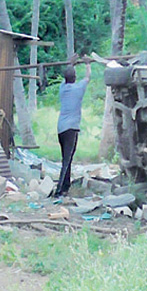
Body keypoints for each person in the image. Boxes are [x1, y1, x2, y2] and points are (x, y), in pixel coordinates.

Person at [54, 59, 90, 197]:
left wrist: (72, 64)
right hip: (71, 129)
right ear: (75, 77)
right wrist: (87, 64)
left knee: (67, 157)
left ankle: (66, 186)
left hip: (61, 128)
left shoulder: (63, 88)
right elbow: (87, 77)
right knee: (67, 159)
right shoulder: (78, 89)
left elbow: (70, 77)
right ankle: (59, 191)